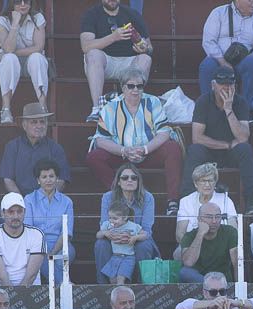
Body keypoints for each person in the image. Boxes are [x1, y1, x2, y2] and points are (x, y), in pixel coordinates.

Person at [86, 67, 183, 215]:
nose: (135, 90)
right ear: (123, 87)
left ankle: (173, 202)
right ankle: (120, 196)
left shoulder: (153, 102)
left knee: (173, 148)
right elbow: (100, 140)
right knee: (94, 157)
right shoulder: (111, 107)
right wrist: (124, 150)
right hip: (122, 155)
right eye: (131, 86)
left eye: (139, 86)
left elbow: (164, 132)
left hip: (149, 152)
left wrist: (145, 149)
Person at [179, 67, 253, 216]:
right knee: (194, 150)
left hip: (232, 153)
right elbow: (197, 137)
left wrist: (228, 109)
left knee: (245, 149)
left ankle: (252, 202)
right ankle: (186, 200)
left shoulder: (240, 102)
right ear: (213, 85)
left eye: (230, 84)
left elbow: (243, 137)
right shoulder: (203, 101)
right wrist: (227, 145)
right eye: (222, 83)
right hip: (210, 151)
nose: (226, 87)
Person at [80, 0, 152, 123]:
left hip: (129, 63)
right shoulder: (91, 14)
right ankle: (97, 108)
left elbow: (149, 47)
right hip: (105, 62)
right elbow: (86, 46)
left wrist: (144, 48)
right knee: (92, 54)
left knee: (145, 58)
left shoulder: (132, 13)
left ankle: (131, 107)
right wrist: (113, 37)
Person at [199, 0, 253, 105]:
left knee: (251, 63)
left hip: (244, 62)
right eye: (250, 0)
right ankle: (207, 109)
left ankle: (246, 111)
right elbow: (208, 41)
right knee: (207, 65)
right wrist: (223, 62)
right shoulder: (218, 13)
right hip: (219, 59)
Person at [96, 164, 158, 281]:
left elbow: (147, 229)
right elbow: (104, 225)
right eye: (125, 178)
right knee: (101, 244)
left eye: (134, 178)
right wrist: (114, 235)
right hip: (113, 237)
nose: (129, 180)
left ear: (138, 181)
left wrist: (134, 237)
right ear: (118, 181)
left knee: (144, 245)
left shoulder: (148, 197)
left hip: (138, 237)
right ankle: (103, 286)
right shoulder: (108, 197)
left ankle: (142, 286)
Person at [0, 0, 48, 125]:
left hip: (30, 62)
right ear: (11, 3)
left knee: (37, 57)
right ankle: (6, 109)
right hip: (8, 64)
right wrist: (15, 24)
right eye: (18, 2)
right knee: (10, 59)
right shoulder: (1, 20)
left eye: (26, 1)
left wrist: (6, 53)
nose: (23, 4)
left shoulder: (37, 17)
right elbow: (8, 48)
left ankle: (43, 106)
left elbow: (38, 47)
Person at [0, 103, 70, 196]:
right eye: (34, 122)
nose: (39, 126)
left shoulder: (55, 148)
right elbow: (8, 179)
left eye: (42, 122)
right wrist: (23, 202)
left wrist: (44, 200)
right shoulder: (13, 147)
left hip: (48, 200)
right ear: (24, 125)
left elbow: (62, 179)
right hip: (20, 202)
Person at [24, 158, 75, 283]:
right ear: (38, 180)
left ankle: (60, 286)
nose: (48, 180)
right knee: (42, 258)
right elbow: (28, 229)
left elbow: (67, 232)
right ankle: (65, 285)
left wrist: (52, 252)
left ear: (57, 178)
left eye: (51, 176)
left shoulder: (66, 201)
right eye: (44, 177)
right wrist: (44, 251)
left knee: (58, 258)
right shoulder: (29, 199)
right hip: (37, 244)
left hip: (61, 243)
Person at [0, 192, 44, 287]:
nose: (16, 216)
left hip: (29, 291)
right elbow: (2, 278)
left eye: (19, 211)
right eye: (11, 212)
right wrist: (14, 296)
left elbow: (31, 276)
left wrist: (19, 295)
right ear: (2, 213)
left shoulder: (37, 234)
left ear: (25, 212)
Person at [176, 162, 238, 247]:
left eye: (210, 180)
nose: (207, 185)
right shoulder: (186, 201)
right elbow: (180, 234)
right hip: (191, 246)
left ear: (215, 182)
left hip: (219, 247)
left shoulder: (226, 200)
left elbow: (234, 231)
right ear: (195, 183)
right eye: (203, 181)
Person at [179, 202, 239, 283]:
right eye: (209, 217)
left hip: (221, 280)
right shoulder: (189, 236)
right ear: (199, 219)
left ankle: (214, 287)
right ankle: (211, 287)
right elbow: (188, 262)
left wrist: (238, 288)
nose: (214, 221)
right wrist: (200, 234)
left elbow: (236, 263)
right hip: (200, 281)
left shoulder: (230, 232)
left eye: (217, 217)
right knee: (185, 272)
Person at [97, 201, 147, 284]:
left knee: (120, 279)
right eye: (110, 217)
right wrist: (104, 233)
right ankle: (115, 295)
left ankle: (122, 294)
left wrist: (135, 237)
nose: (111, 221)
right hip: (115, 257)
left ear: (125, 217)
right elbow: (98, 235)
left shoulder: (133, 226)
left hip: (128, 258)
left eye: (115, 218)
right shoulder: (107, 225)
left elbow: (145, 235)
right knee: (112, 279)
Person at [175, 271, 253, 309]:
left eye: (222, 291)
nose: (218, 295)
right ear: (205, 293)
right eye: (213, 292)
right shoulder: (199, 307)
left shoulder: (232, 306)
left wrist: (237, 303)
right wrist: (210, 304)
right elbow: (179, 307)